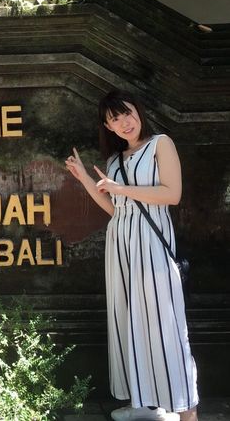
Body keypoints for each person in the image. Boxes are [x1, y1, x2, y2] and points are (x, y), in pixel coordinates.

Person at [65, 89, 198, 421]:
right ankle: (144, 403)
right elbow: (117, 209)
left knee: (165, 326)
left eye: (126, 113)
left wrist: (121, 188)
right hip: (121, 246)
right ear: (108, 127)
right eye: (114, 119)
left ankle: (187, 413)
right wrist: (85, 179)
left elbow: (172, 194)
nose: (124, 122)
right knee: (129, 321)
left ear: (138, 112)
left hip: (152, 248)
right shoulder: (114, 161)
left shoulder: (161, 144)